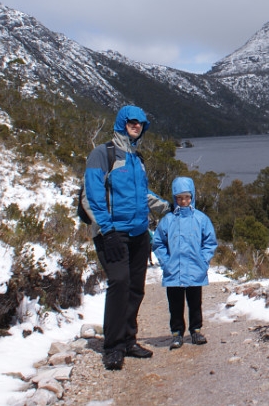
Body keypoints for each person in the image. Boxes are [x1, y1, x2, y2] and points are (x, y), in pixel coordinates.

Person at [84, 105, 168, 371]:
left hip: (139, 233)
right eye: (132, 121)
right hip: (113, 234)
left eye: (141, 123)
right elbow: (93, 197)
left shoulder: (136, 158)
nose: (137, 126)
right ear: (122, 123)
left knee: (135, 288)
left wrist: (167, 206)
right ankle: (113, 346)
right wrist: (106, 231)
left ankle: (129, 340)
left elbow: (141, 194)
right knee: (119, 284)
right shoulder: (102, 154)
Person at [152, 176, 218, 349]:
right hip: (173, 270)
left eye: (187, 197)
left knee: (195, 303)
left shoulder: (201, 219)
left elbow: (210, 242)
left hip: (195, 270)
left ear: (193, 196)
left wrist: (203, 261)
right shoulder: (168, 220)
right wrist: (166, 263)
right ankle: (176, 333)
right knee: (175, 304)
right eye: (179, 198)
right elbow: (158, 242)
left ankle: (195, 330)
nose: (183, 201)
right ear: (175, 198)